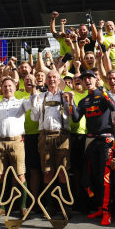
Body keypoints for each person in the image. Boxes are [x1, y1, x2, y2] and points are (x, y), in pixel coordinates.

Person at [69, 69, 115, 225]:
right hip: (90, 141)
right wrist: (71, 102)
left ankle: (107, 212)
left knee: (105, 178)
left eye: (90, 78)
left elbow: (113, 107)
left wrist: (103, 91)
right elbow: (76, 119)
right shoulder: (84, 101)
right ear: (82, 82)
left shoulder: (102, 95)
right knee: (92, 176)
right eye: (84, 79)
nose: (87, 81)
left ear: (95, 79)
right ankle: (99, 207)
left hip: (106, 140)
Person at [0, 77, 33, 217]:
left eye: (10, 86)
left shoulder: (21, 102)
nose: (7, 88)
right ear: (1, 89)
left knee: (20, 175)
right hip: (0, 142)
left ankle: (23, 207)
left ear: (15, 87)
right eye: (4, 86)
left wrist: (33, 87)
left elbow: (33, 103)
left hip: (17, 142)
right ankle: (2, 207)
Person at [30, 70, 72, 215]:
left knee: (62, 172)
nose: (52, 79)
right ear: (46, 81)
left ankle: (65, 205)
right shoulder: (41, 96)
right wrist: (34, 102)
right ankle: (50, 206)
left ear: (60, 80)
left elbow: (73, 115)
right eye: (49, 77)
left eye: (54, 77)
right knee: (47, 171)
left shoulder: (65, 96)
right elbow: (35, 118)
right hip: (45, 135)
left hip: (62, 135)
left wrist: (69, 102)